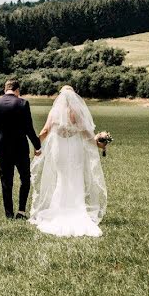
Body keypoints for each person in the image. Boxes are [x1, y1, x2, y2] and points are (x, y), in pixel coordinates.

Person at [29, 85, 107, 237]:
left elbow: (45, 131)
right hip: (75, 148)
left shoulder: (55, 112)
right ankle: (77, 209)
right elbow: (87, 134)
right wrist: (98, 142)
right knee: (75, 177)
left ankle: (59, 209)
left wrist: (36, 146)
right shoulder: (76, 113)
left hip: (60, 149)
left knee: (62, 178)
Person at [0, 78, 42, 220]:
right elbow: (29, 128)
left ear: (5, 89)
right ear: (17, 90)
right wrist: (37, 146)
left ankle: (9, 214)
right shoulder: (23, 103)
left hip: (2, 148)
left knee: (6, 181)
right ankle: (21, 211)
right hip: (20, 148)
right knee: (25, 179)